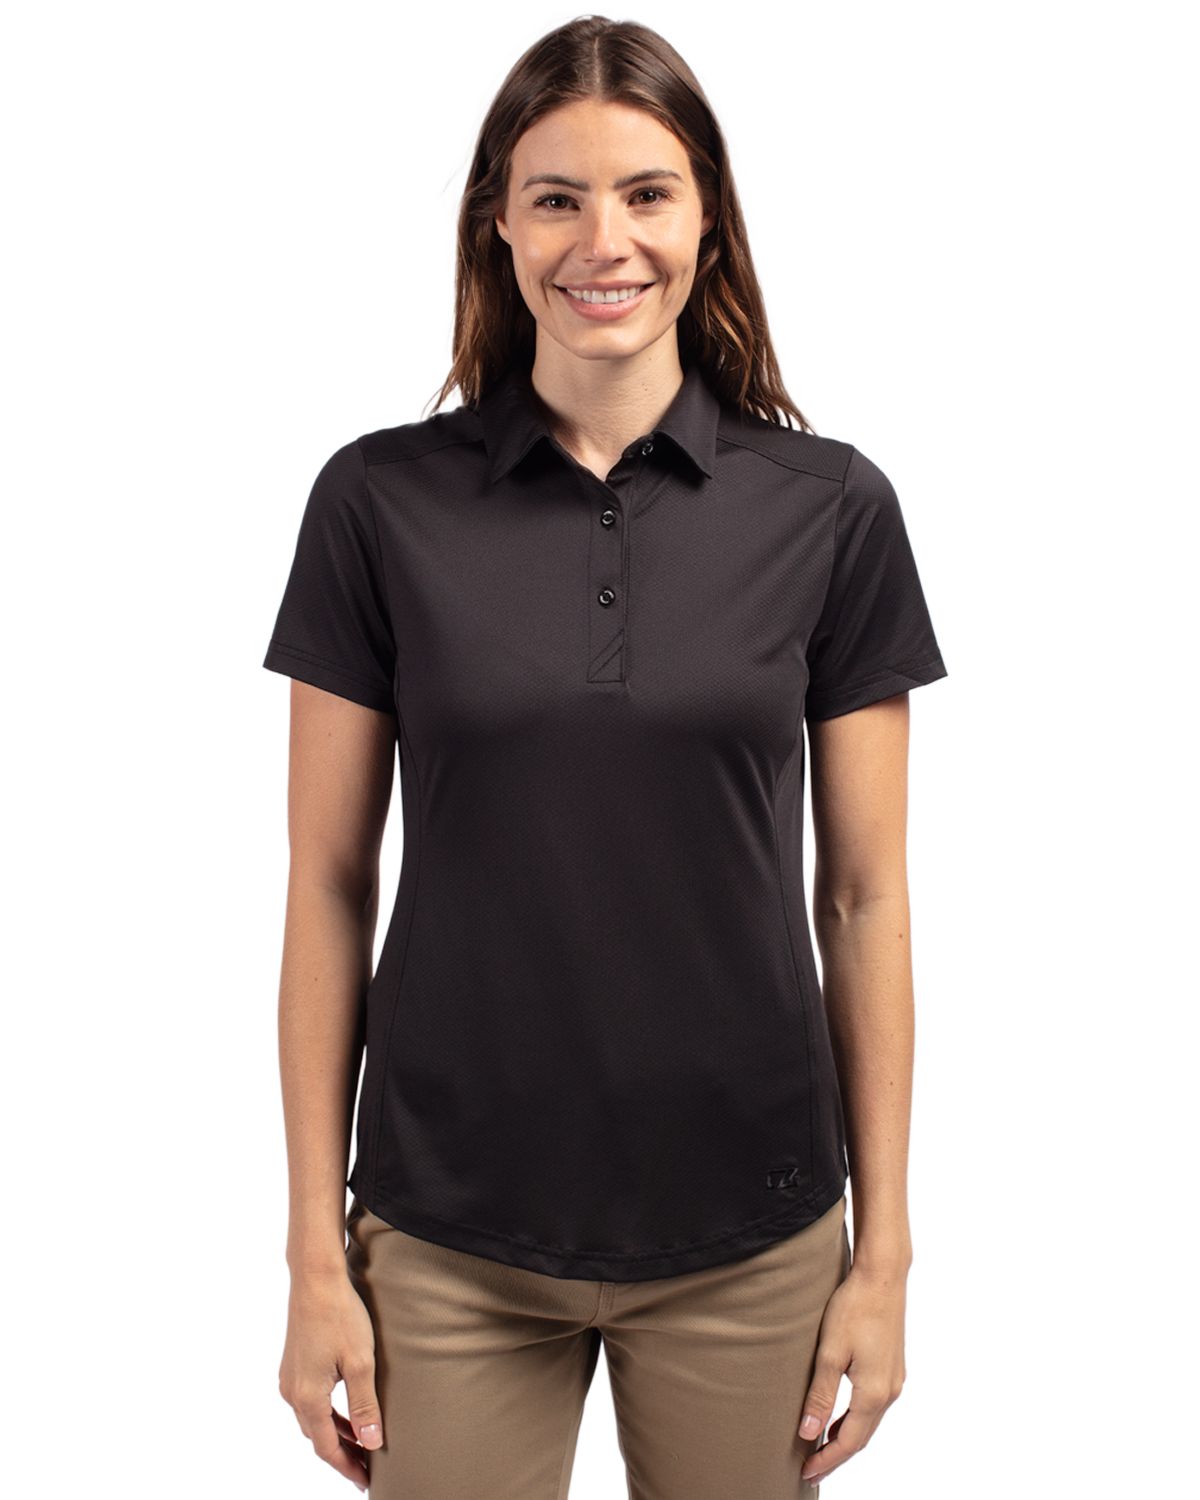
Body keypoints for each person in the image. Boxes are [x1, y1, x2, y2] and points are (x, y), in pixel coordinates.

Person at [264, 16, 948, 1499]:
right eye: (557, 197)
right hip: (444, 1238)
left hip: (753, 1235)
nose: (603, 241)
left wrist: (884, 1255)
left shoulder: (832, 510)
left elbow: (866, 899)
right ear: (499, 225)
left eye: (646, 193)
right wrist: (315, 1253)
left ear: (707, 219)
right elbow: (325, 884)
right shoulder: (376, 503)